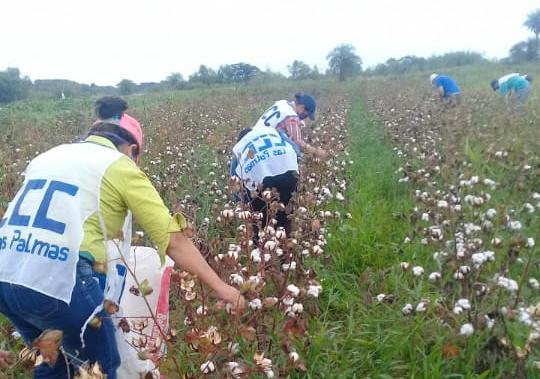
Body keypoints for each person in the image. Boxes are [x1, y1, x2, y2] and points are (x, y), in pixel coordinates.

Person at [0, 97, 245, 378]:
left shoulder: (48, 157)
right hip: (62, 281)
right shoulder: (119, 165)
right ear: (132, 149)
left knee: (53, 364)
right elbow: (173, 240)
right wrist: (221, 286)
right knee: (100, 367)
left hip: (8, 279)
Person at [231, 127, 299, 235]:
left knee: (261, 224)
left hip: (262, 184)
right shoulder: (271, 132)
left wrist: (242, 207)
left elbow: (235, 184)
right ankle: (285, 240)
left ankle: (263, 243)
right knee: (285, 216)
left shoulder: (239, 149)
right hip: (289, 172)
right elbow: (297, 151)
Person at [254, 93, 327, 158]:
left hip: (254, 133)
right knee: (295, 150)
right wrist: (315, 151)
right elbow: (297, 142)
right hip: (261, 144)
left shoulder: (282, 103)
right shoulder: (291, 116)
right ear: (302, 107)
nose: (305, 117)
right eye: (306, 115)